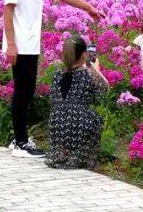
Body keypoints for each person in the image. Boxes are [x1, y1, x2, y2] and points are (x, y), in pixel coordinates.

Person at [4, 0, 103, 157]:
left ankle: (19, 139)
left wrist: (89, 8)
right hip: (20, 45)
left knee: (26, 91)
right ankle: (20, 143)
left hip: (30, 45)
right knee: (22, 92)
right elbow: (7, 11)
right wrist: (11, 44)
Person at [45, 35, 108, 170]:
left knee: (69, 118)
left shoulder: (57, 74)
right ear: (84, 54)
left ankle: (64, 153)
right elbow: (103, 90)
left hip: (57, 120)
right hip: (79, 121)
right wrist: (95, 69)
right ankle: (79, 156)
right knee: (94, 118)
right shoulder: (88, 74)